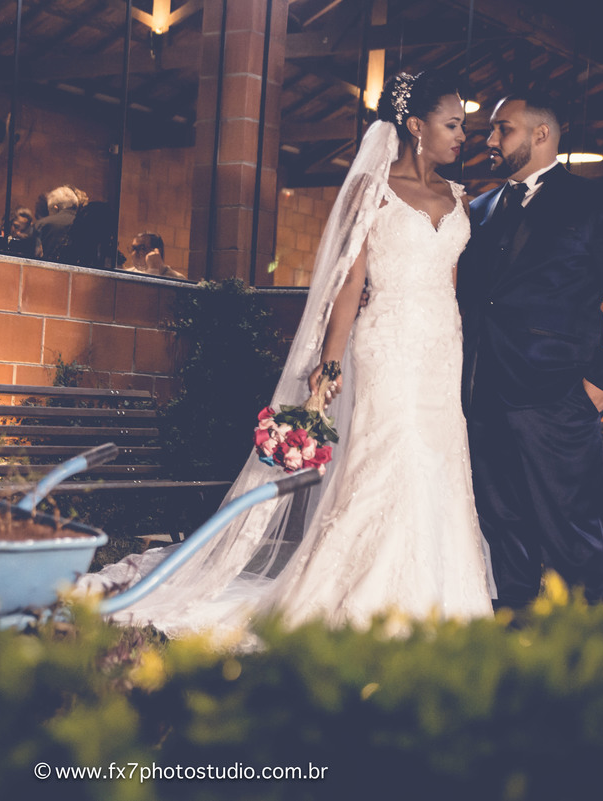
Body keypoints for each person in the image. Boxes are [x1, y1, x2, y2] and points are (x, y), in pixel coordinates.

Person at [78, 71, 495, 639]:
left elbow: (449, 280)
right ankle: (363, 596)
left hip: (442, 347)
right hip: (388, 344)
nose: (462, 136)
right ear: (417, 126)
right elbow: (350, 284)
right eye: (453, 125)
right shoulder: (371, 190)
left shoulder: (459, 196)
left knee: (442, 461)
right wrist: (330, 363)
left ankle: (444, 599)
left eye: (464, 128)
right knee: (389, 457)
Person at [457, 91, 603, 610]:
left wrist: (600, 386)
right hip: (483, 397)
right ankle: (516, 646)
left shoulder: (596, 205)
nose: (490, 139)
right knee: (503, 528)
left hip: (558, 399)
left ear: (541, 135)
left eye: (504, 129)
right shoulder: (476, 209)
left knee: (571, 534)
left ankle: (585, 655)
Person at [33, 185, 82, 261]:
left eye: (49, 210)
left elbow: (35, 255)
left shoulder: (42, 224)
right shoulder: (88, 224)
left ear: (56, 207)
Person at [118, 232, 186, 279]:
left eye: (141, 248)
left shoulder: (177, 278)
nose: (134, 254)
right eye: (133, 248)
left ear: (156, 252)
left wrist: (153, 269)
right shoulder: (128, 274)